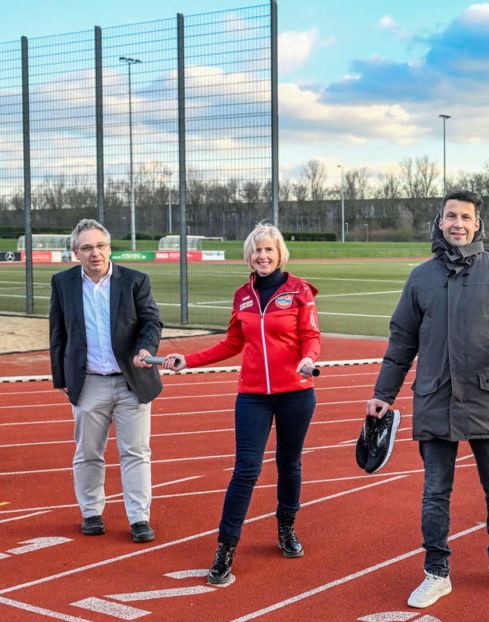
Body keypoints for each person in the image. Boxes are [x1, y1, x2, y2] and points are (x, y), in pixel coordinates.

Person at [366, 190, 489, 609]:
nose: (458, 223)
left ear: (477, 224)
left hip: (486, 395)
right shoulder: (420, 277)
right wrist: (382, 394)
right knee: (435, 491)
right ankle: (437, 571)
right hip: (434, 395)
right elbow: (401, 342)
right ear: (440, 222)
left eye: (466, 217)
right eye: (451, 216)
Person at [164, 223, 320, 585]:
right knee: (246, 469)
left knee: (288, 463)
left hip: (296, 391)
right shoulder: (242, 296)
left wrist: (308, 360)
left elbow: (311, 336)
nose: (262, 256)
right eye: (256, 251)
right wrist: (188, 360)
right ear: (249, 255)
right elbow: (231, 344)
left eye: (268, 250)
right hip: (252, 395)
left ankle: (286, 528)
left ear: (280, 253)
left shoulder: (300, 291)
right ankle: (225, 548)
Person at [49, 218, 163, 543]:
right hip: (88, 383)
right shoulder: (62, 283)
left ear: (109, 248)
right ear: (75, 252)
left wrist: (146, 347)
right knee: (87, 452)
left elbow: (152, 321)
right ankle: (91, 513)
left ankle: (139, 519)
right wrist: (61, 377)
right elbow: (57, 332)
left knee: (136, 452)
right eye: (86, 248)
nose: (94, 253)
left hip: (132, 381)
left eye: (100, 246)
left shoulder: (135, 280)